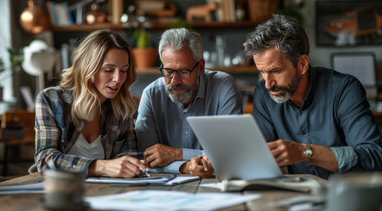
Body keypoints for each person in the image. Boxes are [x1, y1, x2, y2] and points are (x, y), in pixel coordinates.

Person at [243, 14, 382, 179]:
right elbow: (263, 156)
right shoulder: (264, 94)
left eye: (276, 71)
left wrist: (305, 152)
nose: (268, 84)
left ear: (302, 64)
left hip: (345, 193)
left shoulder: (344, 89)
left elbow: (374, 157)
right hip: (296, 194)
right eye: (262, 72)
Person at [29, 30, 147, 178]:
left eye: (124, 70)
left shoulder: (124, 107)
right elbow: (45, 160)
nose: (118, 79)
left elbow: (129, 160)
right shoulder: (51, 99)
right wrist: (101, 166)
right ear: (88, 68)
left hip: (108, 192)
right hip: (60, 191)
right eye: (108, 70)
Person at [135, 28, 242, 177]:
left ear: (201, 68)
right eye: (168, 71)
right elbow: (146, 160)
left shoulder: (223, 86)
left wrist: (176, 154)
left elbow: (232, 153)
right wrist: (185, 167)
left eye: (184, 71)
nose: (175, 81)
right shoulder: (151, 94)